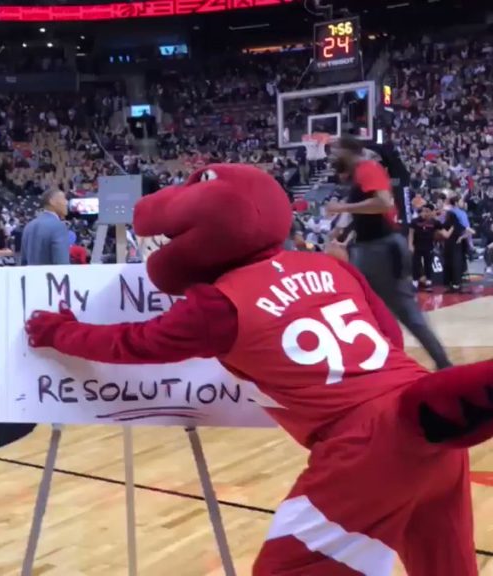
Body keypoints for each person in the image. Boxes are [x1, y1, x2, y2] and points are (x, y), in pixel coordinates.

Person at [26, 164, 493, 576]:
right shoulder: (328, 265)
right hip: (433, 426)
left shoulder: (217, 303)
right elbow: (388, 335)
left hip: (366, 448)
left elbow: (131, 343)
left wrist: (59, 330)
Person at [326, 136, 451, 369]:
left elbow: (383, 204)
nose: (332, 155)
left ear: (349, 150)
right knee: (369, 310)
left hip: (381, 249)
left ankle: (442, 364)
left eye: (336, 150)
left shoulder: (368, 169)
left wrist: (343, 208)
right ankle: (383, 365)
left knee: (400, 311)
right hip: (370, 248)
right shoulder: (358, 176)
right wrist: (342, 232)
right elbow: (367, 214)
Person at [20, 189, 70, 266]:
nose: (66, 202)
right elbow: (62, 264)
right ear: (52, 201)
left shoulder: (29, 226)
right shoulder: (59, 226)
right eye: (64, 199)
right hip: (51, 277)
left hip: (32, 277)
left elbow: (23, 261)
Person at [438, 195, 469, 293]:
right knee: (456, 263)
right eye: (461, 201)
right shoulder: (459, 213)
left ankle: (453, 283)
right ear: (456, 203)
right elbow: (466, 228)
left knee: (452, 263)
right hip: (455, 242)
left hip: (452, 243)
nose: (463, 203)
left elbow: (441, 226)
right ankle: (455, 283)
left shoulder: (447, 212)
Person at [408, 203, 438, 291]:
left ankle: (428, 282)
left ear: (431, 212)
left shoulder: (434, 222)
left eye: (427, 211)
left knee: (428, 264)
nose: (425, 213)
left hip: (428, 246)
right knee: (416, 264)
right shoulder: (415, 221)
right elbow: (411, 233)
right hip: (417, 245)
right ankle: (415, 282)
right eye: (423, 211)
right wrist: (410, 245)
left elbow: (440, 230)